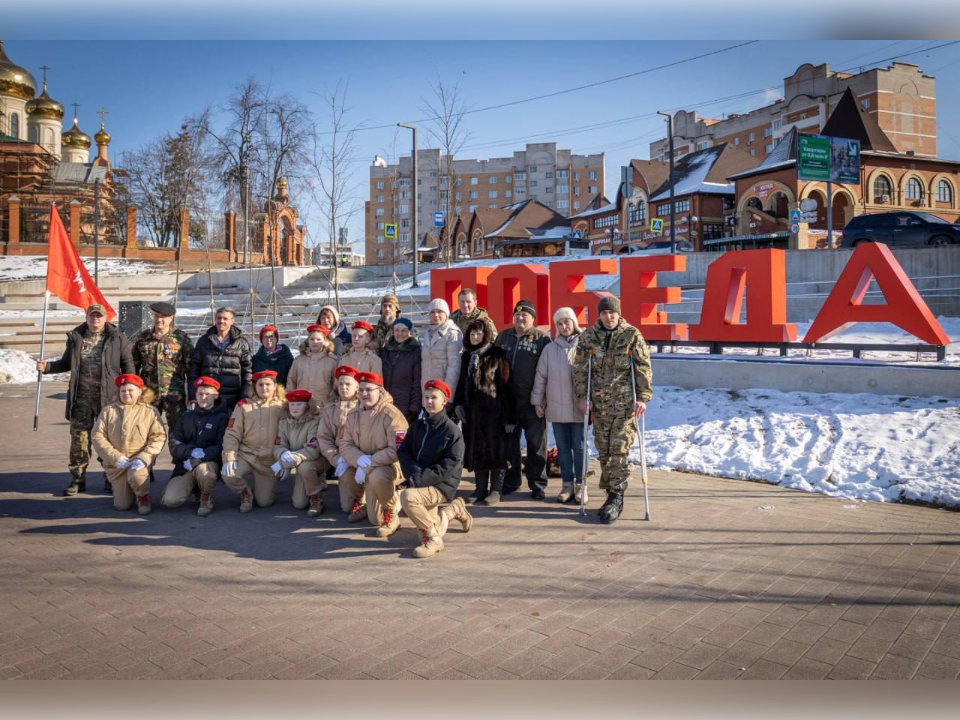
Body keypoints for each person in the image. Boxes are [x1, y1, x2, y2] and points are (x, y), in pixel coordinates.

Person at [36, 303, 135, 496]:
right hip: (81, 398)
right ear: (87, 318)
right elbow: (66, 363)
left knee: (108, 441)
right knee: (79, 441)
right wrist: (47, 367)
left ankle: (110, 478)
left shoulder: (116, 337)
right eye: (92, 316)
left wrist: (130, 385)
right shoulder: (76, 337)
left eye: (99, 316)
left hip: (108, 398)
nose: (95, 319)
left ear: (106, 318)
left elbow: (127, 362)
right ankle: (77, 479)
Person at [573, 296, 653, 524]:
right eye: (604, 313)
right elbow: (579, 368)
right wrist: (582, 396)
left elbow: (643, 367)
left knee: (619, 449)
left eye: (612, 313)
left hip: (625, 405)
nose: (608, 317)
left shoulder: (631, 335)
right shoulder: (588, 337)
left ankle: (617, 496)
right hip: (599, 405)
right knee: (604, 451)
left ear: (619, 313)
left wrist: (643, 396)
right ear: (599, 315)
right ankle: (610, 494)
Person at [398, 380, 472, 558]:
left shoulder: (451, 431)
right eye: (426, 397)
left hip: (441, 485)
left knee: (408, 497)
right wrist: (413, 471)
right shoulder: (418, 425)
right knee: (426, 529)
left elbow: (449, 465)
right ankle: (453, 510)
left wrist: (418, 479)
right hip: (420, 481)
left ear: (444, 401)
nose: (429, 401)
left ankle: (434, 540)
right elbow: (404, 451)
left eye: (434, 397)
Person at [338, 371, 409, 535]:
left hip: (388, 466)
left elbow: (397, 449)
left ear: (380, 391)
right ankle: (361, 501)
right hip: (363, 464)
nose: (364, 394)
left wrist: (369, 463)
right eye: (361, 390)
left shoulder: (391, 415)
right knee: (344, 471)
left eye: (369, 390)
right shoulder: (352, 415)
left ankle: (391, 510)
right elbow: (345, 443)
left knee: (376, 519)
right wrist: (359, 459)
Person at [454, 319, 514, 506]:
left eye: (479, 333)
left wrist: (510, 417)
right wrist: (458, 405)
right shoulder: (467, 357)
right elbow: (461, 384)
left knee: (496, 451)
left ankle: (495, 490)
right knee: (476, 450)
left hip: (494, 413)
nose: (475, 336)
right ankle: (480, 489)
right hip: (473, 415)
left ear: (486, 334)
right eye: (472, 333)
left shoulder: (498, 354)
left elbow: (507, 387)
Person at [495, 300, 551, 499]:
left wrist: (544, 398)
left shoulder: (542, 340)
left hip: (533, 403)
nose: (520, 318)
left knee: (536, 445)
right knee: (510, 444)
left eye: (525, 315)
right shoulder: (503, 337)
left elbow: (548, 372)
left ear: (533, 319)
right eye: (517, 315)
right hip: (508, 403)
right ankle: (513, 481)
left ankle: (537, 484)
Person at [531, 307, 586, 505]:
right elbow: (541, 377)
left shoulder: (585, 345)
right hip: (556, 407)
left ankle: (581, 485)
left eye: (567, 322)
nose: (564, 327)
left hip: (579, 408)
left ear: (574, 322)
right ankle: (567, 485)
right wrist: (538, 400)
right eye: (560, 324)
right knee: (563, 448)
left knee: (579, 448)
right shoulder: (550, 349)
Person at [91, 374, 166, 515]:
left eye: (130, 390)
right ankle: (125, 488)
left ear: (139, 392)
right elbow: (97, 436)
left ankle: (143, 496)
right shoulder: (108, 411)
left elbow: (158, 437)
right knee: (122, 505)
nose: (126, 394)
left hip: (138, 461)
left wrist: (144, 457)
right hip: (117, 464)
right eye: (123, 391)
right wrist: (114, 457)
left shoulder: (149, 412)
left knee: (137, 476)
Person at [162, 376, 230, 516]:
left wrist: (200, 457)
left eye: (207, 394)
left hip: (207, 463)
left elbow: (221, 446)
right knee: (170, 501)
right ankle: (194, 489)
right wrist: (191, 451)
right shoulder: (186, 417)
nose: (203, 397)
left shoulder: (222, 418)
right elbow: (174, 444)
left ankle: (206, 496)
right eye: (200, 393)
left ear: (215, 395)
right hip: (185, 464)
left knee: (204, 472)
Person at [221, 369, 286, 512]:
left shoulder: (284, 406)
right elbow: (232, 434)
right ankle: (245, 492)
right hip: (247, 455)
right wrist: (229, 458)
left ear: (275, 386)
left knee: (264, 502)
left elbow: (292, 432)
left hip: (269, 460)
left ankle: (261, 488)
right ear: (254, 387)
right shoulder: (243, 406)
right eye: (260, 385)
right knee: (228, 474)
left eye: (268, 384)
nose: (264, 388)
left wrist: (286, 461)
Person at [131, 301, 193, 435]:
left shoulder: (181, 338)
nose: (159, 320)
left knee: (177, 431)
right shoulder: (143, 338)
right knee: (146, 431)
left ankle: (178, 456)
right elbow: (134, 365)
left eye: (163, 317)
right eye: (156, 316)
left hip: (174, 392)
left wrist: (192, 392)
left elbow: (191, 367)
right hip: (149, 393)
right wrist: (134, 389)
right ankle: (145, 457)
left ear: (171, 318)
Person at [316, 366, 365, 521]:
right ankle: (357, 497)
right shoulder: (330, 409)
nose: (344, 387)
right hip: (341, 460)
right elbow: (324, 438)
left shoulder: (365, 407)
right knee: (346, 507)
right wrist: (336, 459)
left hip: (362, 458)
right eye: (341, 383)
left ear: (357, 386)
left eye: (348, 384)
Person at [274, 388, 325, 517]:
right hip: (295, 460)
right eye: (292, 404)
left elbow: (312, 451)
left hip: (315, 461)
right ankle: (304, 483)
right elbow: (279, 445)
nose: (295, 407)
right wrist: (283, 453)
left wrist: (285, 463)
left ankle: (316, 497)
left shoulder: (315, 421)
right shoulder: (283, 422)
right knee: (299, 504)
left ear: (308, 406)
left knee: (305, 467)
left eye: (299, 404)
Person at [189, 306, 252, 411]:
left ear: (232, 321)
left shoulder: (241, 343)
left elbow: (247, 372)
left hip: (232, 400)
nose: (221, 321)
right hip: (208, 398)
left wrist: (245, 396)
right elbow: (194, 369)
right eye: (218, 318)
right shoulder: (204, 341)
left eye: (225, 318)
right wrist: (193, 394)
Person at [379, 317, 422, 426]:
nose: (400, 334)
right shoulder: (386, 351)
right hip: (385, 404)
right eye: (397, 330)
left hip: (405, 406)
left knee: (401, 439)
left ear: (410, 332)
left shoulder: (415, 352)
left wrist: (414, 407)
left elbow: (417, 382)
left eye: (404, 330)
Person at [288, 325, 338, 407]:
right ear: (308, 341)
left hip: (324, 406)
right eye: (312, 339)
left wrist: (331, 403)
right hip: (302, 405)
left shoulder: (332, 361)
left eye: (318, 339)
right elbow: (291, 382)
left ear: (324, 341)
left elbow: (335, 385)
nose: (315, 342)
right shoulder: (299, 360)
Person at [420, 298, 462, 395]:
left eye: (440, 312)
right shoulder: (427, 333)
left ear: (446, 314)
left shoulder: (452, 333)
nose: (436, 315)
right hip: (428, 390)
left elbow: (454, 367)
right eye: (433, 312)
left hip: (442, 391)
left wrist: (448, 394)